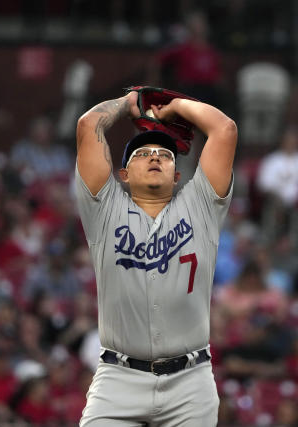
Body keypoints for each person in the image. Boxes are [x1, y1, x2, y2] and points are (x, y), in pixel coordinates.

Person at [74, 87, 237, 426]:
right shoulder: (104, 210)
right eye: (142, 154)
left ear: (177, 176)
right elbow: (89, 125)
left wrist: (176, 106)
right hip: (119, 378)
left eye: (165, 155)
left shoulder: (201, 206)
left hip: (190, 382)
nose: (154, 157)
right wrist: (128, 103)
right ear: (123, 174)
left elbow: (225, 130)